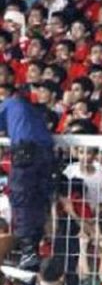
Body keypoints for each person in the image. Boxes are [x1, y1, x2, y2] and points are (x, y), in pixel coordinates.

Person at [0, 88, 55, 270]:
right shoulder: (35, 111)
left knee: (22, 199)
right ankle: (34, 249)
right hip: (48, 156)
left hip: (26, 154)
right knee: (38, 200)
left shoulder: (9, 104)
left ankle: (28, 251)